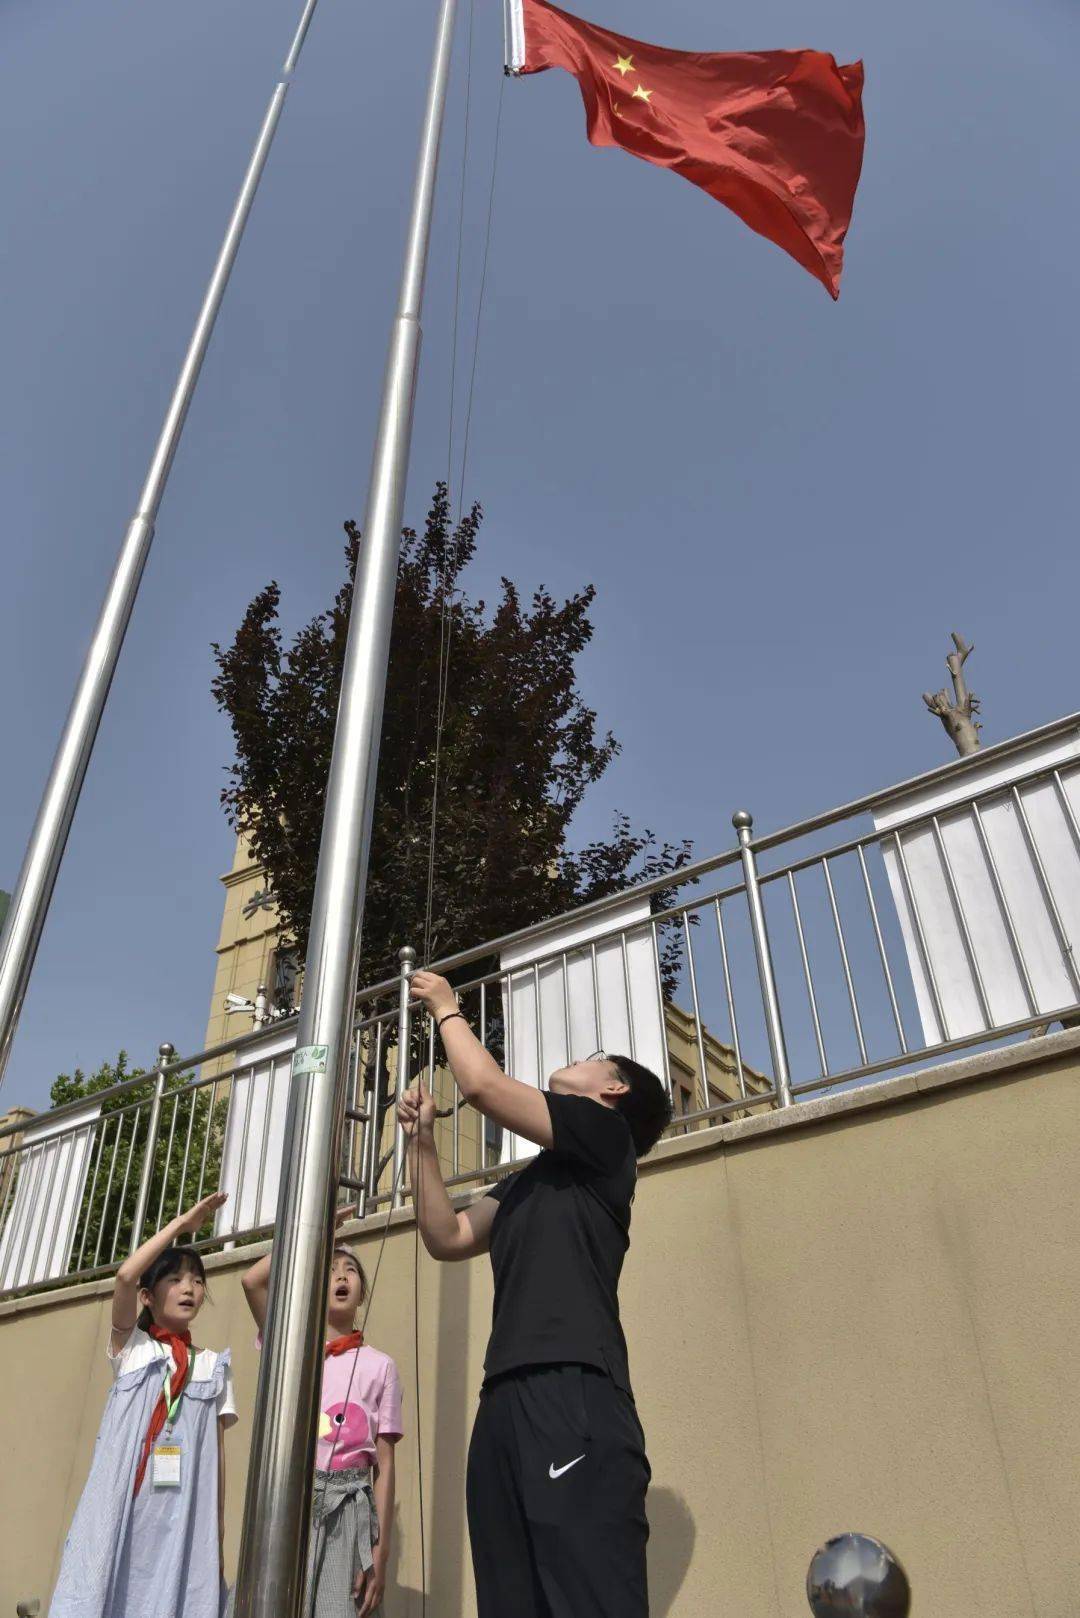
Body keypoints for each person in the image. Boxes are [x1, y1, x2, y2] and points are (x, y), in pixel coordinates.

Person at [398, 969, 673, 1618]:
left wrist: (447, 1008)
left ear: (613, 1088)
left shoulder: (607, 1137)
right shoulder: (535, 1178)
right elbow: (448, 1236)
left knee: (587, 1598)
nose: (578, 1058)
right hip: (504, 1396)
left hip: (571, 1388)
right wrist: (421, 1145)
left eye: (594, 1057)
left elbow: (483, 1087)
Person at [50, 1190, 237, 1618]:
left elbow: (217, 1458)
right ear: (148, 1297)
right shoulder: (131, 1348)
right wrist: (182, 1226)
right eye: (175, 1278)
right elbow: (124, 1276)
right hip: (125, 1507)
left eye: (197, 1280)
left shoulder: (213, 1366)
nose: (189, 1287)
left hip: (181, 1517)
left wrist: (217, 1533)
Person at [239, 1206, 402, 1618]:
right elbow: (252, 1281)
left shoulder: (381, 1365)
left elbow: (384, 1464)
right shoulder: (292, 1348)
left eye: (351, 1270)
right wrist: (321, 1230)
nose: (342, 1276)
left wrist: (380, 1551)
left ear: (362, 1293)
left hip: (351, 1507)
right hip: (291, 1499)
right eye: (330, 1270)